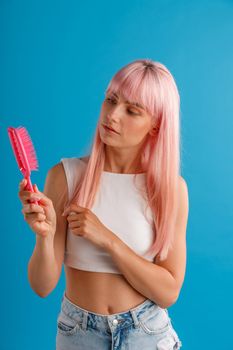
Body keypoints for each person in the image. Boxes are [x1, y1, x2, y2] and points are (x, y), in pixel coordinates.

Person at [18, 58, 189, 349]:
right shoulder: (65, 177)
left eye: (132, 110)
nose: (112, 115)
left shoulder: (170, 189)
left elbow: (168, 292)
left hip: (146, 334)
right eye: (111, 100)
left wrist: (107, 239)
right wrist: (45, 236)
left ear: (156, 126)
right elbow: (42, 286)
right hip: (79, 334)